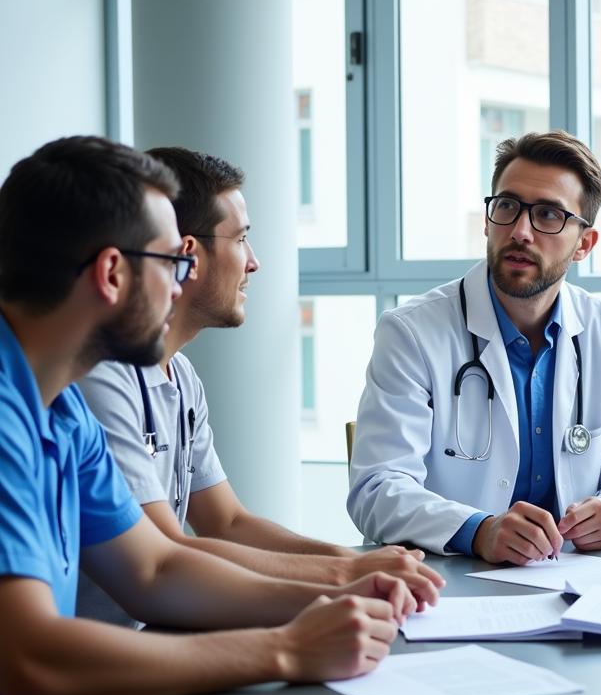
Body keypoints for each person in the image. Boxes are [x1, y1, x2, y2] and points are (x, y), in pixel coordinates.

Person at [0, 136, 430, 695]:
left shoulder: (64, 410)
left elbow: (155, 569)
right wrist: (287, 649)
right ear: (111, 273)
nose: (179, 286)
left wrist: (338, 599)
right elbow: (30, 661)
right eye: (171, 264)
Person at [75, 147, 443, 627]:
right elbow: (166, 555)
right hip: (106, 657)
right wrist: (341, 576)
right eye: (242, 239)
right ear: (188, 255)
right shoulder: (100, 379)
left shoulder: (181, 377)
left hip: (148, 637)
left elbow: (227, 522)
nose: (254, 263)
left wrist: (352, 562)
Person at [348, 130, 601, 563]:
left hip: (578, 580)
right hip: (451, 582)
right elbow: (378, 488)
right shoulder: (411, 332)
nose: (520, 231)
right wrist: (479, 530)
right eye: (507, 207)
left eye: (549, 215)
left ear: (584, 244)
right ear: (486, 219)